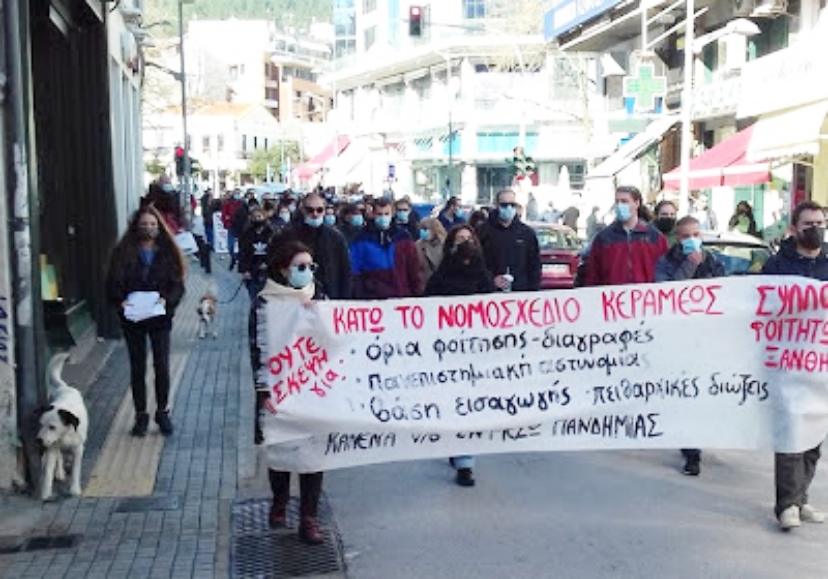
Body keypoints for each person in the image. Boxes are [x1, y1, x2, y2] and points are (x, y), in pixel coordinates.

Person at [249, 240, 326, 544]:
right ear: (283, 269)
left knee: (313, 456)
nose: (307, 272)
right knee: (280, 450)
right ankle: (279, 502)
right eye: (300, 267)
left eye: (310, 266)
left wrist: (318, 316)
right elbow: (258, 348)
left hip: (313, 388)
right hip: (278, 387)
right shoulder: (265, 302)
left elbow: (333, 339)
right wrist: (264, 391)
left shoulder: (319, 296)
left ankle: (309, 517)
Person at [761, 201, 828, 531]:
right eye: (808, 224)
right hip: (787, 362)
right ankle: (786, 504)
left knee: (814, 435)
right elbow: (762, 306)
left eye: (820, 222)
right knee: (790, 432)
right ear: (793, 229)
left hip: (821, 364)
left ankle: (801, 499)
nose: (815, 229)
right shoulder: (777, 265)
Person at [106, 206, 185, 437]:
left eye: (152, 224)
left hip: (160, 317)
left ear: (159, 226)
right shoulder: (122, 253)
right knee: (137, 367)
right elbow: (112, 283)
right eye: (144, 224)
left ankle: (162, 412)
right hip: (133, 318)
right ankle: (141, 415)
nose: (148, 228)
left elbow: (177, 285)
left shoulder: (168, 253)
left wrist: (166, 300)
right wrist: (120, 302)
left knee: (162, 365)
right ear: (135, 226)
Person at [425, 225, 495, 487]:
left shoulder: (483, 277)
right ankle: (458, 451)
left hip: (476, 354)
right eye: (459, 240)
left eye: (469, 239)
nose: (465, 244)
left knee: (470, 407)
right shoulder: (440, 279)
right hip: (448, 354)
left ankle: (466, 461)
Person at [655, 215, 724, 476]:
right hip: (679, 337)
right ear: (677, 238)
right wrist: (688, 267)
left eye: (696, 235)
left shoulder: (714, 262)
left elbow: (723, 293)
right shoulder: (666, 262)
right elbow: (665, 294)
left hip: (707, 337)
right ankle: (691, 451)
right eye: (686, 236)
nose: (691, 240)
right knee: (685, 393)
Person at [268, 193, 351, 300]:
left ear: (324, 211)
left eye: (319, 210)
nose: (315, 214)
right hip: (295, 296)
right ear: (303, 210)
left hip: (329, 296)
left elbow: (345, 270)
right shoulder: (287, 236)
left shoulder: (336, 237)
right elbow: (275, 267)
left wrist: (343, 299)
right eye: (310, 210)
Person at [583, 186, 669, 286]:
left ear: (637, 203)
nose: (620, 205)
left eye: (624, 201)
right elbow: (593, 274)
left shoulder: (655, 237)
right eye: (617, 202)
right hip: (613, 294)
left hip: (646, 294)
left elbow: (666, 270)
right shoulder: (603, 238)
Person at [350, 198, 420, 299]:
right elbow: (355, 271)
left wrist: (416, 294)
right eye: (379, 214)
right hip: (372, 299)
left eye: (387, 214)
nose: (383, 217)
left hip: (401, 296)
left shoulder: (403, 237)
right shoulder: (361, 239)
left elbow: (413, 268)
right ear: (373, 214)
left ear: (392, 214)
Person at [477, 189, 541, 292]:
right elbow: (477, 262)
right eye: (504, 205)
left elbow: (534, 264)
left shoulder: (527, 233)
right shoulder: (482, 231)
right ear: (496, 205)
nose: (509, 208)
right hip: (490, 292)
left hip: (520, 291)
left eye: (512, 204)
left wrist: (533, 290)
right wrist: (490, 280)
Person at [238, 207, 274, 300]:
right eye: (255, 217)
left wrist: (268, 263)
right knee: (253, 296)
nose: (257, 219)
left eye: (259, 216)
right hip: (251, 268)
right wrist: (244, 270)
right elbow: (242, 252)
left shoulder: (271, 233)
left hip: (267, 270)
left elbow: (276, 251)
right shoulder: (246, 233)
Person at [415, 218, 446, 295]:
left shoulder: (445, 244)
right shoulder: (417, 245)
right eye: (421, 229)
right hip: (425, 284)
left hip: (443, 284)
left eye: (425, 229)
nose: (422, 232)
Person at [221, 190, 244, 269]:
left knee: (241, 244)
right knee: (230, 245)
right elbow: (224, 214)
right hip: (231, 226)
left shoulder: (243, 203)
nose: (237, 195)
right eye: (236, 193)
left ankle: (239, 257)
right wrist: (227, 223)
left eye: (238, 193)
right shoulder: (228, 203)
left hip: (241, 226)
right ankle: (233, 256)